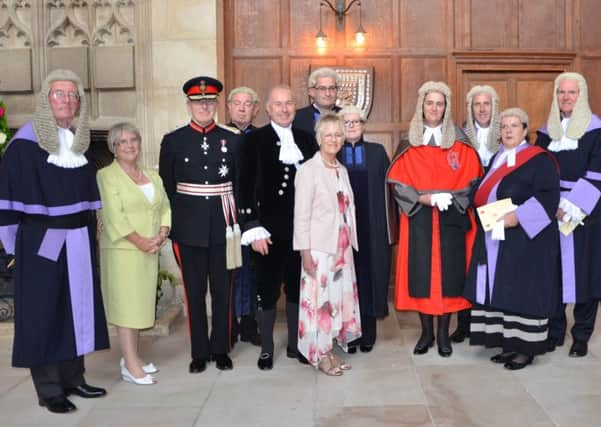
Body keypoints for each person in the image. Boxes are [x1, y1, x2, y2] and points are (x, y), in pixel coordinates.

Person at [0, 69, 109, 413]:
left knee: (76, 306)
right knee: (45, 310)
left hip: (77, 236)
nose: (67, 100)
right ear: (45, 99)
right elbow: (6, 202)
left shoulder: (78, 141)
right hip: (43, 239)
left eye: (73, 95)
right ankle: (49, 389)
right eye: (59, 94)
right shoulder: (24, 145)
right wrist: (12, 247)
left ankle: (74, 377)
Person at [386, 81, 482, 358]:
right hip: (419, 217)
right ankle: (426, 333)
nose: (434, 108)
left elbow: (473, 178)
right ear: (422, 106)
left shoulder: (460, 142)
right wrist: (422, 199)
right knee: (421, 275)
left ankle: (443, 335)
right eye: (430, 103)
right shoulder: (409, 142)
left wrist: (452, 199)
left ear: (446, 108)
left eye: (440, 104)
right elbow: (396, 181)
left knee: (450, 275)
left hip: (452, 217)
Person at [464, 108, 560, 370]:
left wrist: (516, 218)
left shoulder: (539, 159)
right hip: (498, 237)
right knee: (503, 290)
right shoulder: (498, 157)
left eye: (514, 126)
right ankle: (508, 343)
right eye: (504, 126)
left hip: (528, 240)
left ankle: (525, 349)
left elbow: (549, 197)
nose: (508, 130)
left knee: (522, 291)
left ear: (525, 130)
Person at [159, 76, 242, 373]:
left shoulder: (233, 139)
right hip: (188, 227)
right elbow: (167, 188)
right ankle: (199, 352)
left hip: (223, 225)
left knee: (223, 290)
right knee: (193, 292)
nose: (204, 106)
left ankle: (221, 349)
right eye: (198, 102)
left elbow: (241, 185)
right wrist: (171, 226)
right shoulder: (173, 141)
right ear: (189, 105)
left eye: (209, 102)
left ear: (217, 104)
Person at [237, 84, 318, 370]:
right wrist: (252, 226)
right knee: (267, 289)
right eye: (278, 104)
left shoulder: (308, 141)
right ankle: (267, 348)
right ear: (268, 109)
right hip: (268, 233)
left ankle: (297, 345)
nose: (284, 109)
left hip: (302, 231)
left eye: (289, 103)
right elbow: (244, 187)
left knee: (298, 288)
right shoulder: (255, 141)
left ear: (295, 107)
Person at [97, 123, 171, 385]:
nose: (129, 145)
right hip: (123, 251)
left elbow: (164, 206)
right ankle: (130, 365)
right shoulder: (106, 176)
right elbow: (114, 215)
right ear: (113, 149)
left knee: (139, 305)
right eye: (122, 142)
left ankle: (133, 358)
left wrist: (161, 235)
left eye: (133, 140)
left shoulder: (152, 174)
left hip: (149, 248)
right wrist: (141, 241)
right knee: (126, 308)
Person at [536, 72, 601, 357]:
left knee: (585, 272)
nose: (565, 97)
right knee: (552, 273)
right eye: (561, 92)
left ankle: (582, 335)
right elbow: (536, 172)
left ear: (581, 95)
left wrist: (572, 207)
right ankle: (555, 331)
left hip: (585, 211)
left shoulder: (596, 130)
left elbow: (598, 173)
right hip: (551, 211)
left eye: (571, 93)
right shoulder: (545, 132)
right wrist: (551, 205)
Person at [293, 113, 361, 375]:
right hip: (319, 249)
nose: (333, 139)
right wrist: (305, 252)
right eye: (328, 134)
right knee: (319, 302)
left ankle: (330, 349)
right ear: (319, 138)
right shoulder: (308, 170)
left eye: (338, 134)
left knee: (335, 302)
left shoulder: (341, 169)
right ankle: (319, 355)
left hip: (342, 248)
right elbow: (301, 215)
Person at [337, 105, 395, 353]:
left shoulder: (377, 152)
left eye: (356, 121)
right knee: (345, 281)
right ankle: (349, 334)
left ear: (363, 125)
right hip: (341, 227)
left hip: (372, 227)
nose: (351, 125)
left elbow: (391, 191)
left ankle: (368, 333)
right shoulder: (332, 152)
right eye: (346, 122)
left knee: (370, 280)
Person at [451, 85, 502, 343]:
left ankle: (492, 323)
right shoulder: (458, 136)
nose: (482, 109)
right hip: (466, 210)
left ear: (495, 107)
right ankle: (464, 324)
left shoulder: (505, 134)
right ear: (470, 108)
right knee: (466, 263)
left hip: (496, 209)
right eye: (477, 104)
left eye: (487, 104)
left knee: (493, 263)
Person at [226, 86, 261, 346]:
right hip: (227, 214)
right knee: (231, 269)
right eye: (236, 103)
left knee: (253, 270)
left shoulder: (262, 137)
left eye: (247, 104)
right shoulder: (218, 136)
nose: (241, 108)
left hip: (256, 215)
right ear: (228, 107)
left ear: (255, 109)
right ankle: (231, 323)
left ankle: (250, 322)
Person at [293, 67, 341, 136]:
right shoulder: (296, 118)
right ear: (311, 92)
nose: (328, 93)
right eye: (322, 88)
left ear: (337, 91)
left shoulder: (345, 116)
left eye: (332, 88)